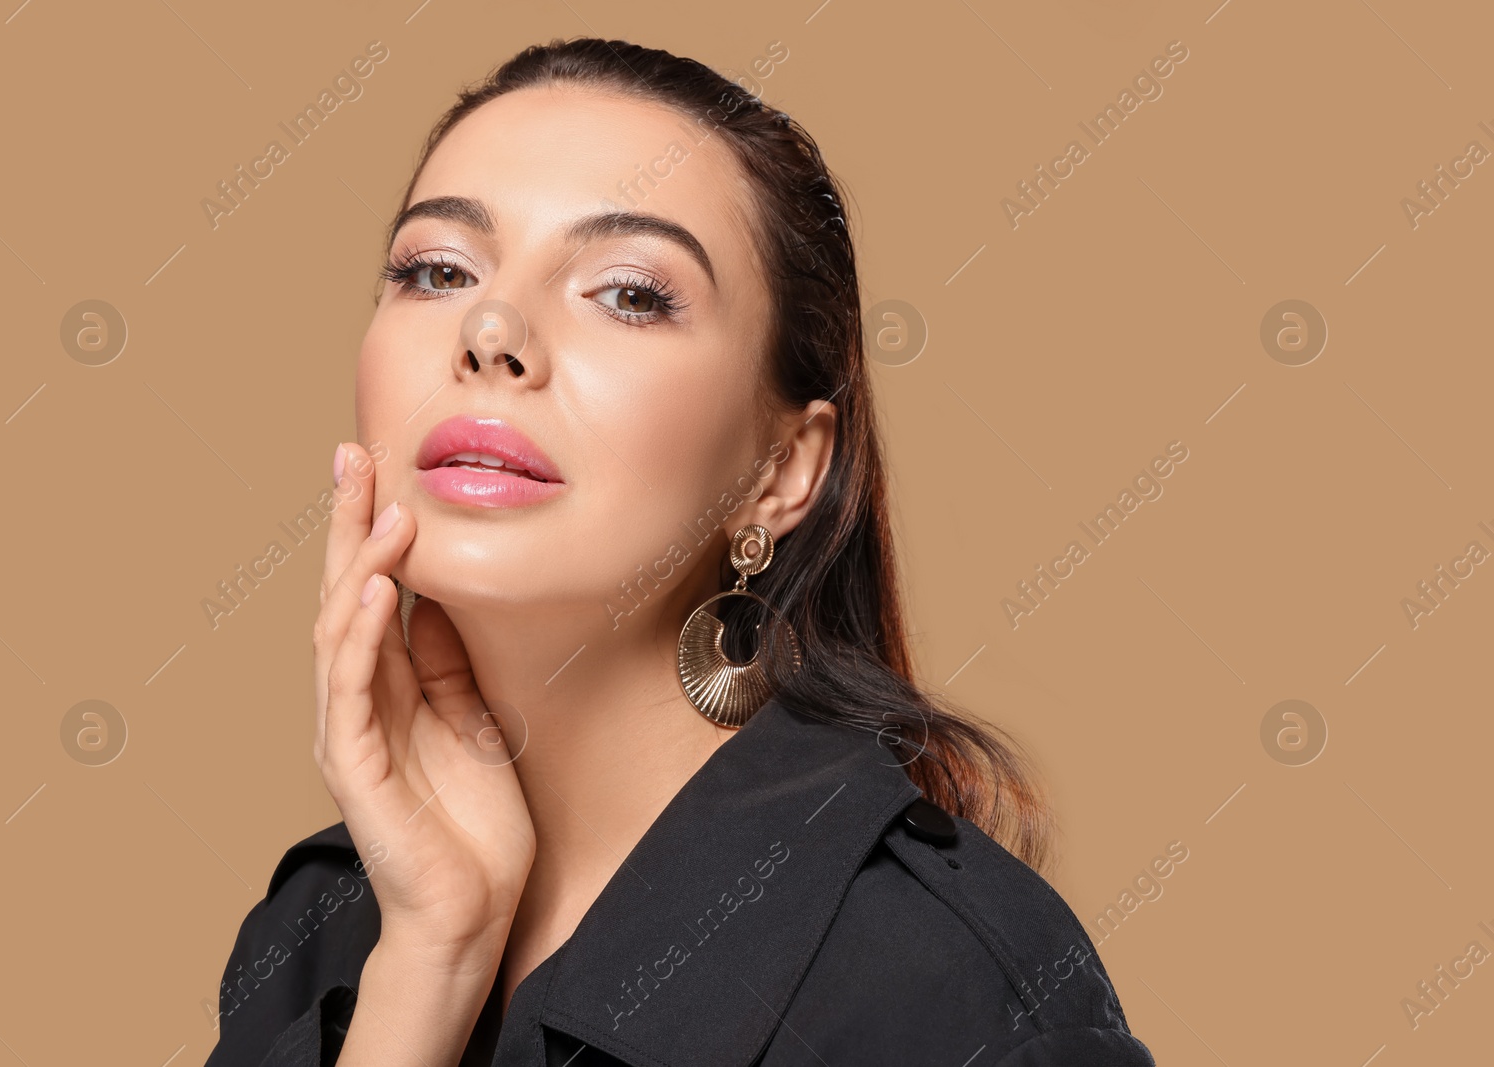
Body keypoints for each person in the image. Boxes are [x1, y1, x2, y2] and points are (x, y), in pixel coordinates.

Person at [202, 36, 1156, 1067]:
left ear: (782, 470)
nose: (488, 328)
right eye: (437, 269)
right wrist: (429, 958)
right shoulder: (321, 924)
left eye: (628, 293)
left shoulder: (950, 993)